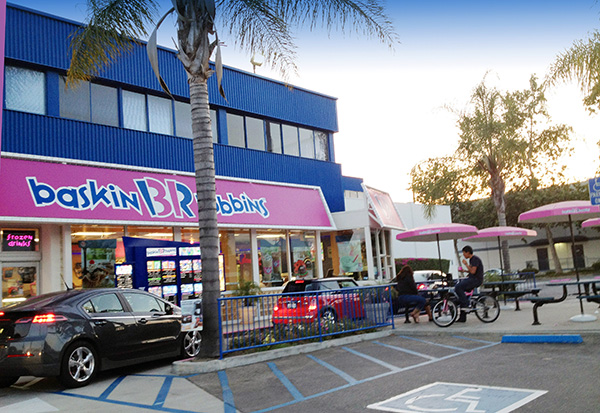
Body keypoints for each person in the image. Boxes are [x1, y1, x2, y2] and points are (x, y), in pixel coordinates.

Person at [455, 245, 484, 322]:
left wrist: (466, 264)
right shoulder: (472, 260)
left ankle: (466, 304)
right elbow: (472, 271)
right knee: (462, 296)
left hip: (476, 280)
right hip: (473, 278)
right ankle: (462, 317)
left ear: (468, 252)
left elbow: (473, 271)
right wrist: (464, 271)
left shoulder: (474, 259)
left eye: (464, 253)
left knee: (458, 287)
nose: (464, 255)